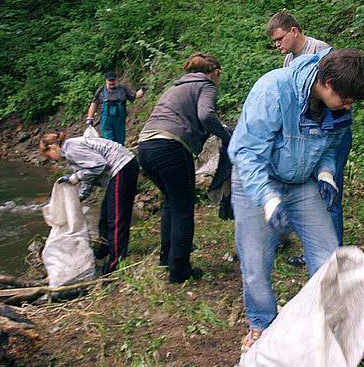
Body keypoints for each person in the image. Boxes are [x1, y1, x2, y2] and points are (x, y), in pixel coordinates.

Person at [229, 48, 364, 359]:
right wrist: (268, 199)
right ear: (327, 83)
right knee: (256, 260)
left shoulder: (340, 104)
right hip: (257, 180)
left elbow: (329, 144)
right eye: (347, 99)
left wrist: (326, 172)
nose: (350, 106)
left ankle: (341, 329)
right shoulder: (274, 90)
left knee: (329, 253)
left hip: (302, 183)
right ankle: (262, 324)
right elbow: (247, 153)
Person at [266, 10, 352, 267]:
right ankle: (316, 250)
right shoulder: (289, 60)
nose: (278, 45)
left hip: (330, 134)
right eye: (274, 42)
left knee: (329, 190)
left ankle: (332, 256)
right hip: (306, 136)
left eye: (280, 39)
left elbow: (336, 102)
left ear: (294, 31)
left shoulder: (322, 52)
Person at [137, 53, 231, 284]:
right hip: (170, 146)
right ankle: (180, 270)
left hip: (145, 146)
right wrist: (225, 134)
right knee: (183, 207)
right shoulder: (206, 85)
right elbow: (206, 114)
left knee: (171, 202)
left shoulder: (176, 86)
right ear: (215, 71)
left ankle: (167, 258)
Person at [39, 130, 140, 274]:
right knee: (105, 217)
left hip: (122, 167)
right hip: (121, 169)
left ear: (53, 147)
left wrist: (75, 177)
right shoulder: (70, 150)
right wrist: (80, 196)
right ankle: (103, 250)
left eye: (49, 156)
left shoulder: (72, 148)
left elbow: (99, 165)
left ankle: (115, 263)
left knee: (116, 219)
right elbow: (88, 174)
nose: (53, 160)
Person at [86, 71, 146, 144]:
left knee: (120, 143)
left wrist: (143, 90)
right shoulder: (101, 91)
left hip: (119, 124)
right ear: (106, 80)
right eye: (110, 81)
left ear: (116, 80)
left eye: (113, 80)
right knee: (109, 143)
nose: (112, 82)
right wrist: (89, 118)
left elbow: (136, 95)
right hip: (106, 124)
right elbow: (94, 104)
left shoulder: (123, 89)